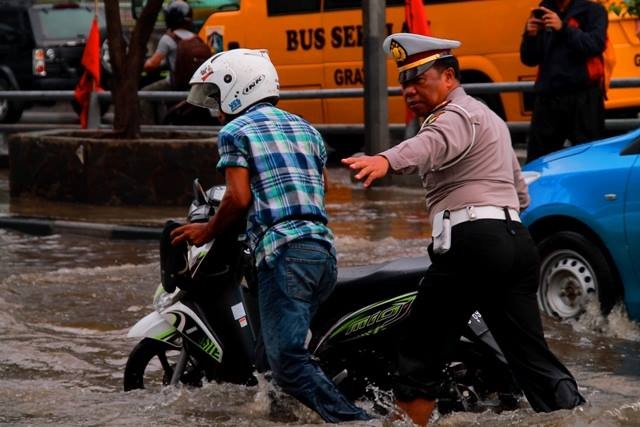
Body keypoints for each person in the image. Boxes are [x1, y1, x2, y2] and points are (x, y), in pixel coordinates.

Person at [342, 33, 585, 425]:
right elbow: (520, 194)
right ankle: (577, 417)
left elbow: (430, 144)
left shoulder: (452, 116)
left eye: (419, 79)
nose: (409, 90)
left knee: (417, 351)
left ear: (450, 77)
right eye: (404, 82)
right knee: (532, 358)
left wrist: (386, 160)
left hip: (472, 245)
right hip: (515, 243)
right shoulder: (492, 119)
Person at [169, 48, 371, 423]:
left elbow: (238, 197)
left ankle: (357, 421)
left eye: (217, 98)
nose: (217, 110)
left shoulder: (235, 132)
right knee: (266, 361)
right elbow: (320, 186)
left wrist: (207, 230)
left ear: (237, 89)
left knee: (287, 361)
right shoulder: (306, 128)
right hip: (321, 252)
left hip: (284, 255)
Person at [520, 0, 608, 162]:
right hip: (548, 99)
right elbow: (529, 59)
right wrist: (530, 36)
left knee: (590, 160)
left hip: (584, 98)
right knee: (539, 160)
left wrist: (563, 29)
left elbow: (595, 45)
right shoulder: (544, 10)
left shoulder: (594, 10)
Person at [140, 0, 198, 124]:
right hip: (193, 84)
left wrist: (139, 65)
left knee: (144, 94)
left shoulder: (168, 38)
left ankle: (149, 129)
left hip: (174, 83)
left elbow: (152, 65)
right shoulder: (196, 38)